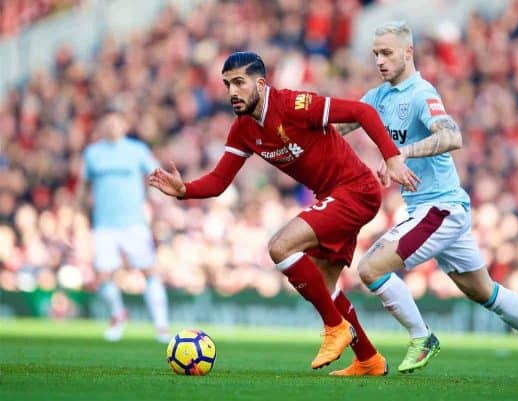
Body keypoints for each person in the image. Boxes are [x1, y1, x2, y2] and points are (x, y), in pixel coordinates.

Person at [149, 51, 419, 375]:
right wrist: (185, 190)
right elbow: (220, 181)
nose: (232, 92)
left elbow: (362, 111)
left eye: (239, 82)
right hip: (334, 196)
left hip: (356, 190)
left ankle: (335, 328)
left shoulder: (294, 105)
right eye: (227, 85)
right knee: (323, 283)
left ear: (261, 84)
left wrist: (391, 158)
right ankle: (369, 359)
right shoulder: (243, 130)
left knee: (280, 246)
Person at [335, 21, 518, 379]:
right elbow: (336, 126)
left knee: (371, 268)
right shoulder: (377, 98)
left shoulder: (422, 93)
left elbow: (452, 135)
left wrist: (399, 153)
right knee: (484, 291)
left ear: (408, 52)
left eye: (387, 53)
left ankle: (422, 336)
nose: (380, 61)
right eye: (376, 55)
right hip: (434, 209)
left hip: (440, 208)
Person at [76, 112, 170, 343]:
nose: (112, 126)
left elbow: (156, 174)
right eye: (107, 122)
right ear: (101, 125)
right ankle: (118, 316)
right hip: (104, 224)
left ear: (124, 125)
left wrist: (159, 202)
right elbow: (83, 186)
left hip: (134, 223)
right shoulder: (93, 153)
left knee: (149, 270)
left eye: (116, 122)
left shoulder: (136, 150)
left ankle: (161, 327)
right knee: (105, 275)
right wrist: (79, 214)